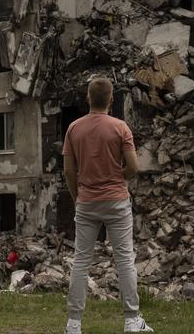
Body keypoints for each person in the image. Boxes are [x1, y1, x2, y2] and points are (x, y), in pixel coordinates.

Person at [63, 77, 153, 334]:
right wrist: (115, 178)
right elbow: (134, 167)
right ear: (112, 100)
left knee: (81, 260)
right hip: (116, 201)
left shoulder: (74, 129)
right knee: (124, 258)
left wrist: (76, 195)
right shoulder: (121, 127)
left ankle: (74, 323)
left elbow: (69, 170)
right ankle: (132, 320)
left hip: (87, 201)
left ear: (88, 98)